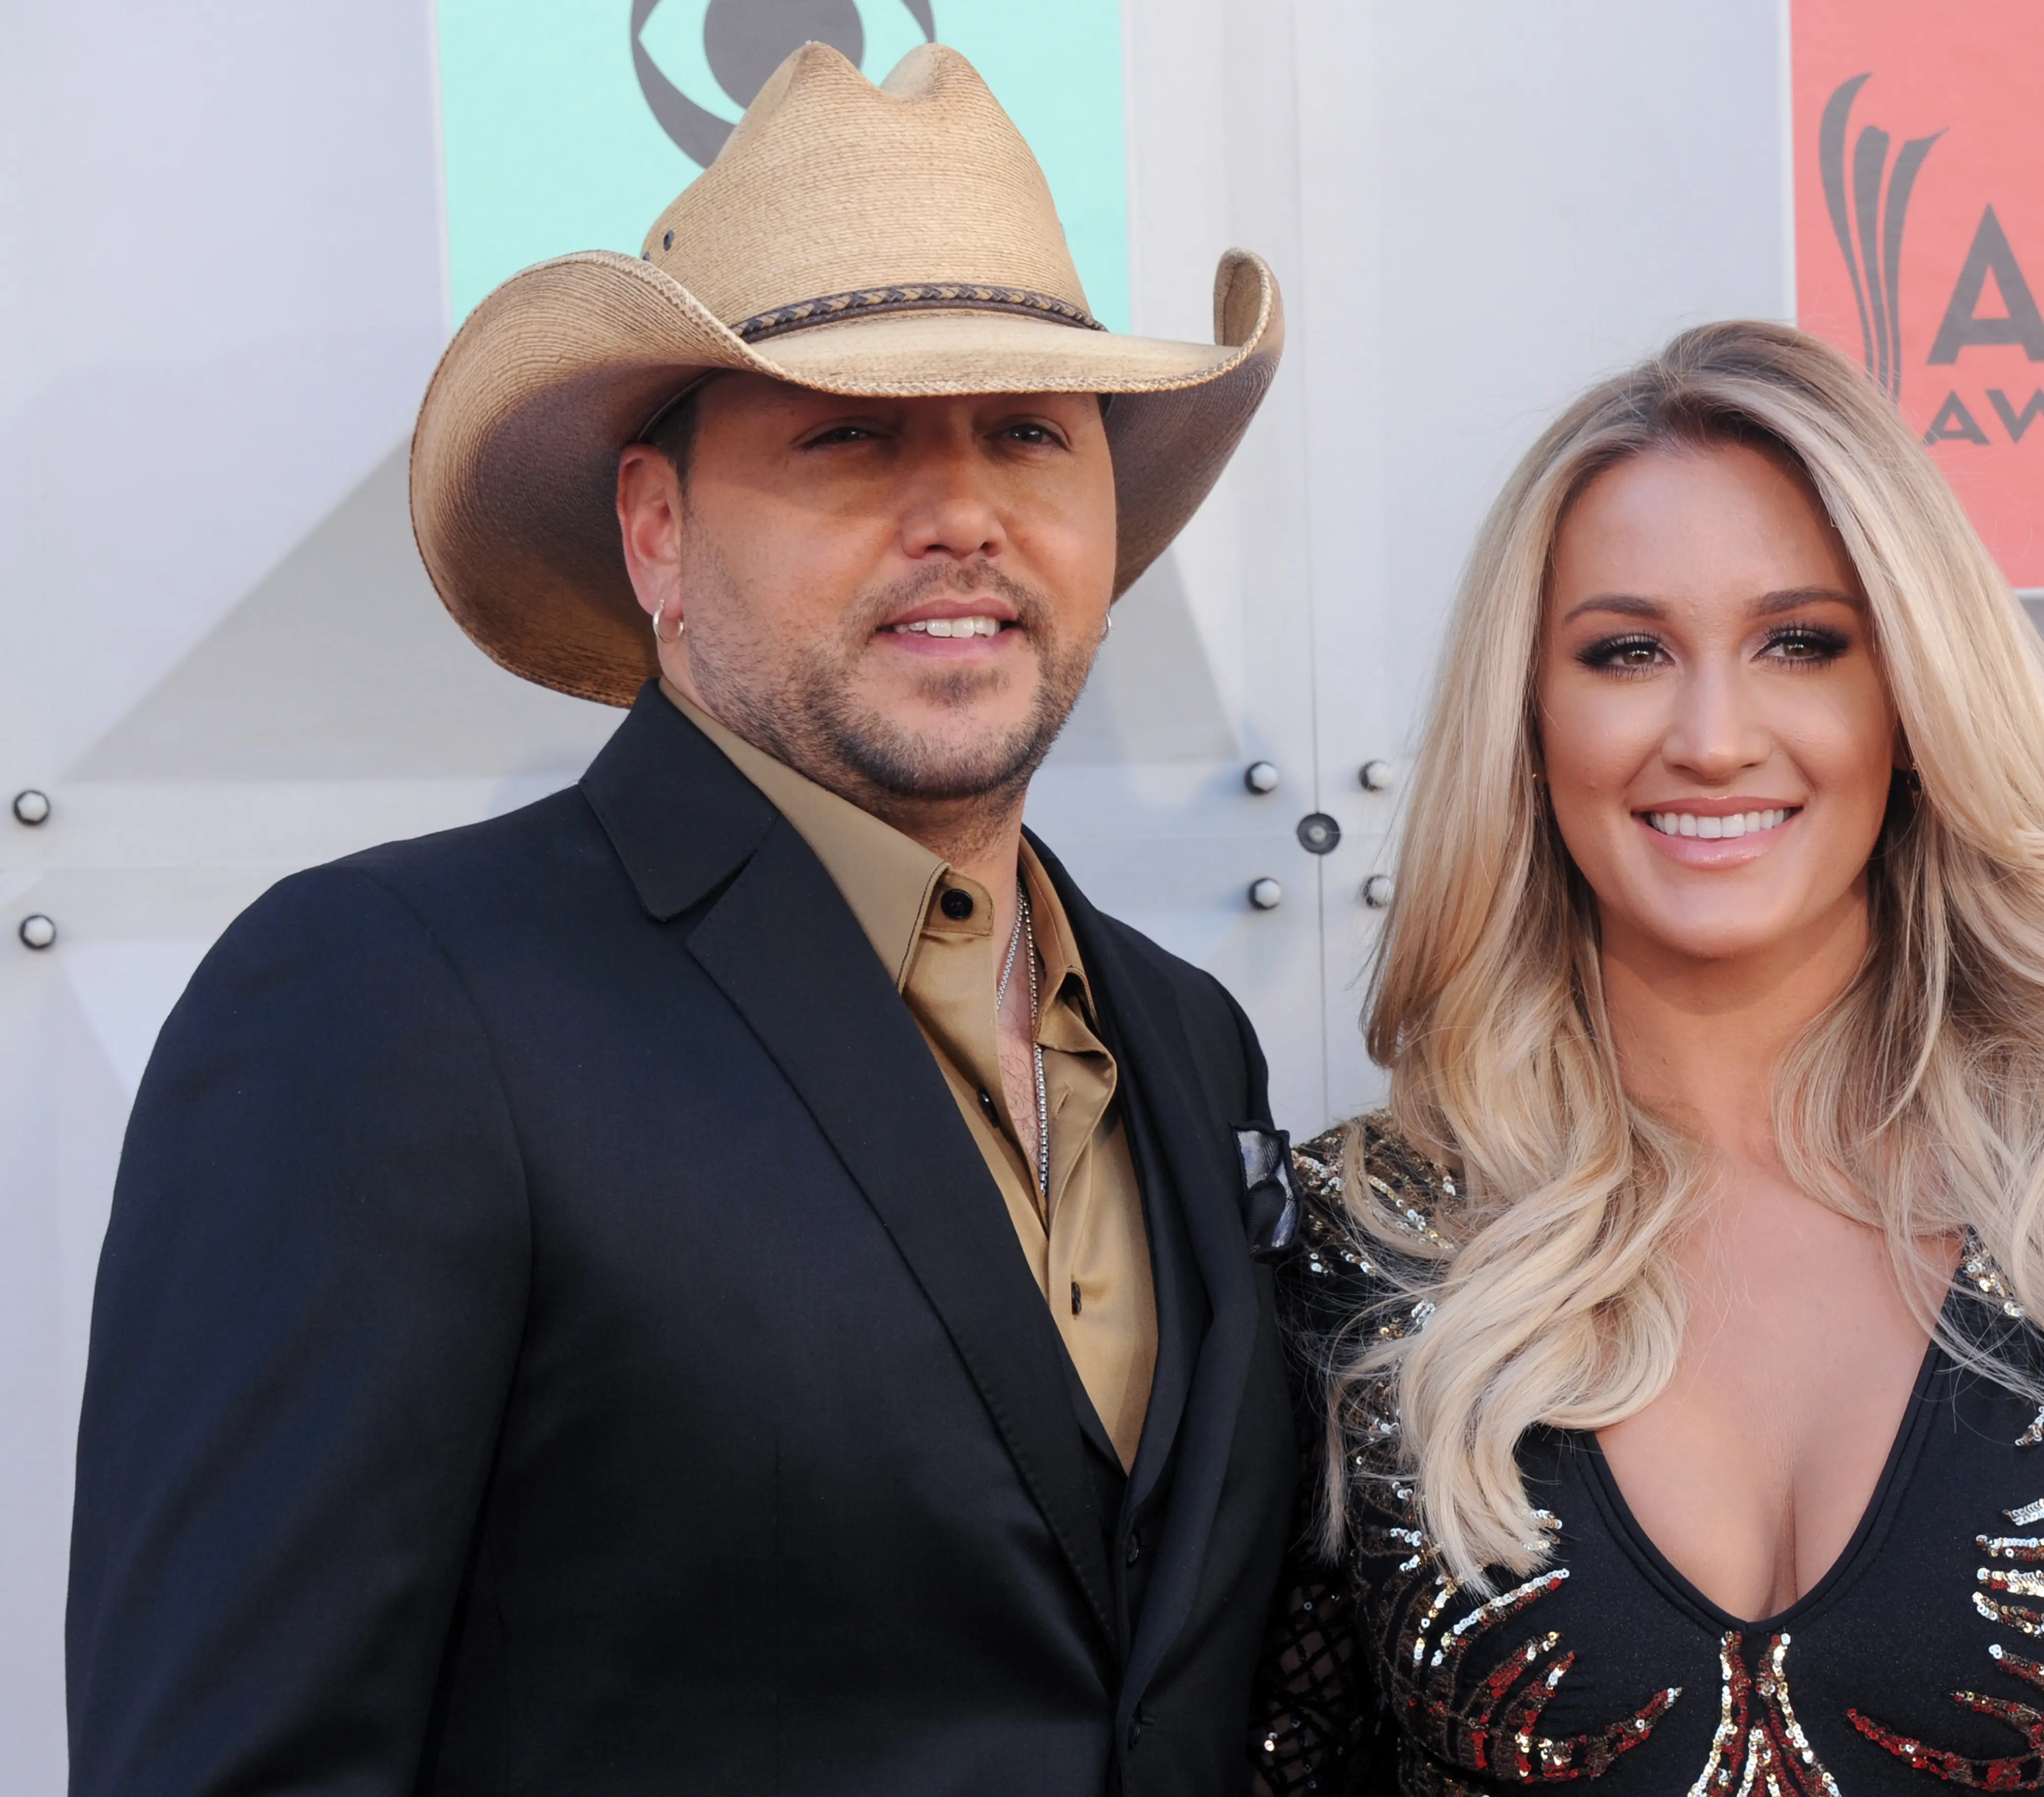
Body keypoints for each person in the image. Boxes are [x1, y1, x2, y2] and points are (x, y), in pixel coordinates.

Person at [69, 43, 1301, 1796]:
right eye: (851, 433)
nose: (962, 514)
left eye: (1029, 431)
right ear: (655, 529)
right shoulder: (386, 1007)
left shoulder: (1187, 1038)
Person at [1246, 321, 2044, 1796]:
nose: (1713, 736)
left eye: (1801, 642)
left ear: (1911, 700)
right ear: (1529, 722)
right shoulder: (1357, 1242)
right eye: (1627, 651)